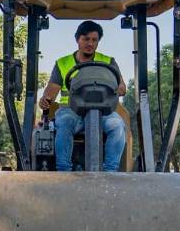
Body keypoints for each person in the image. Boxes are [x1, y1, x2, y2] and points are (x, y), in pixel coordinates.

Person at [38, 20, 127, 172]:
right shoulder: (63, 63)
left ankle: (110, 172)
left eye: (94, 40)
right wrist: (45, 99)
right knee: (64, 122)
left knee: (117, 125)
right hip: (71, 110)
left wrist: (114, 88)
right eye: (86, 39)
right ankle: (64, 170)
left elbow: (122, 88)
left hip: (103, 112)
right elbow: (52, 89)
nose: (90, 43)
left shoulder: (108, 61)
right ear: (77, 39)